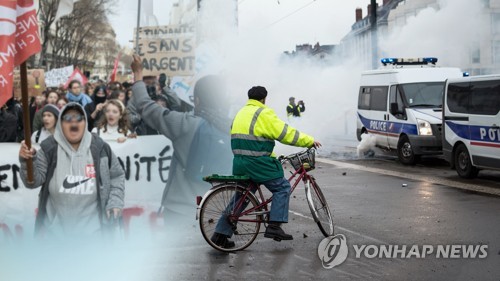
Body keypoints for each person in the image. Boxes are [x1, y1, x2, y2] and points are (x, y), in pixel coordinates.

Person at [211, 86, 321, 248]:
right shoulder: (263, 113)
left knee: (242, 197)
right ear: (264, 99)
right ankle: (274, 226)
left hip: (240, 163)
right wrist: (309, 140)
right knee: (282, 187)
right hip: (258, 163)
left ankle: (219, 235)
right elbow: (286, 133)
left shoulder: (240, 113)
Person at [130, 54, 233, 220]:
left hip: (180, 211)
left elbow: (146, 107)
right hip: (217, 213)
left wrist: (138, 75)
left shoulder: (186, 125)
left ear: (197, 100)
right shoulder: (233, 129)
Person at [18, 102, 125, 238]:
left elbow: (117, 175)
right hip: (55, 237)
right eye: (68, 118)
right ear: (61, 124)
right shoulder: (48, 148)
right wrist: (28, 161)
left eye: (79, 118)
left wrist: (115, 201)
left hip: (94, 236)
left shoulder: (100, 148)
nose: (73, 122)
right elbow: (32, 182)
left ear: (85, 122)